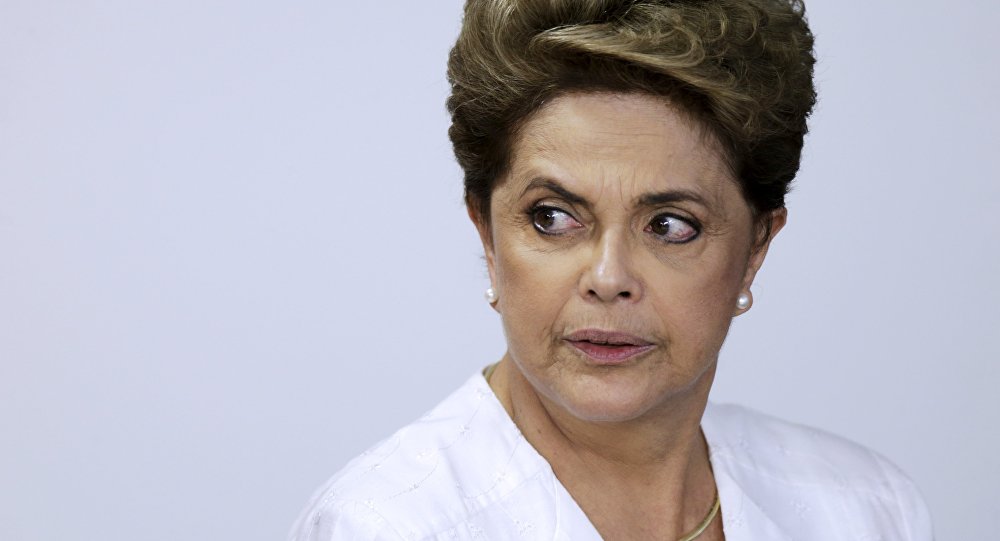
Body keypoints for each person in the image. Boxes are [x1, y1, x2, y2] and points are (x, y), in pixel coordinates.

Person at [289, 0, 933, 539]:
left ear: (756, 248)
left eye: (670, 226)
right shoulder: (389, 523)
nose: (607, 276)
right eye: (553, 217)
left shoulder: (864, 507)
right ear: (487, 233)